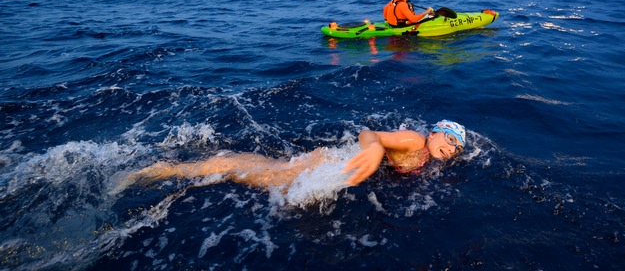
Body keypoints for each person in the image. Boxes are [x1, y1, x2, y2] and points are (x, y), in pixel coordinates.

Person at [126, 120, 467, 190]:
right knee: (237, 172)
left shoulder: (430, 158)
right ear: (434, 131)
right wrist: (376, 148)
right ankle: (161, 170)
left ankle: (175, 165)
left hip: (335, 168)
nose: (450, 148)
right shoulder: (414, 140)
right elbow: (369, 133)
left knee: (256, 171)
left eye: (457, 147)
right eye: (448, 138)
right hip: (327, 164)